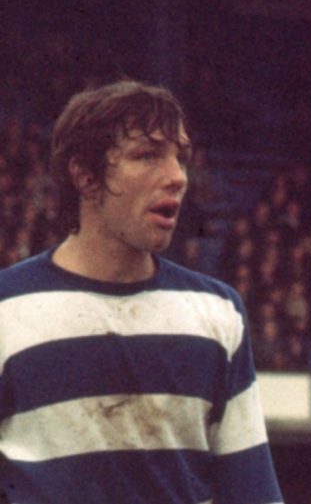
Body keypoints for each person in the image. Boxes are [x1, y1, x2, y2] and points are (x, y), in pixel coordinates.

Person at [0, 80, 283, 503]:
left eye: (180, 157)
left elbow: (252, 491)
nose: (177, 177)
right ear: (85, 175)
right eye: (147, 155)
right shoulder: (7, 309)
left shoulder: (217, 312)